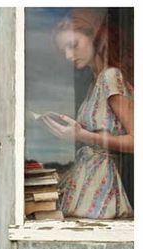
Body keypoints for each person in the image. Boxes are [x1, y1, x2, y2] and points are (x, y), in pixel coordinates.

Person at [41, 8, 134, 219]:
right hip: (84, 181)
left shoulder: (111, 77)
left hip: (102, 187)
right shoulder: (96, 82)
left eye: (73, 45)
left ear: (95, 37)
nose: (68, 56)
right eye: (63, 50)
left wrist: (82, 136)